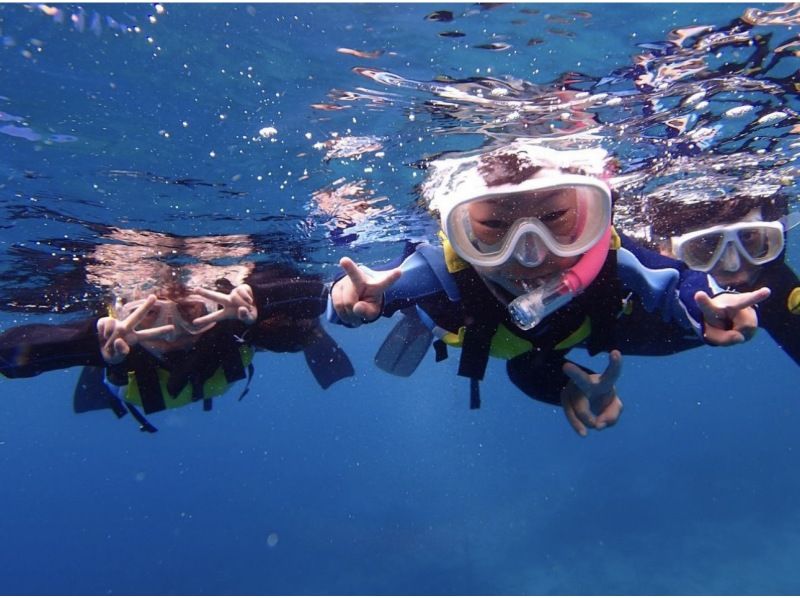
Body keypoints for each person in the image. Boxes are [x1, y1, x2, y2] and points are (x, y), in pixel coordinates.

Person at [326, 140, 768, 437]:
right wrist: (351, 297)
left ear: (591, 212)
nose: (530, 256)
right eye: (495, 227)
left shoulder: (613, 257)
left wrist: (712, 305)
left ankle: (560, 378)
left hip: (545, 341)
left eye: (556, 221)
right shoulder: (439, 268)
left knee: (534, 361)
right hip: (478, 330)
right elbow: (367, 289)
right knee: (478, 333)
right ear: (459, 228)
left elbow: (677, 282)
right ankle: (424, 323)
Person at [0, 230, 354, 432]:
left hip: (226, 334)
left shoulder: (227, 318)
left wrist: (261, 302)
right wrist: (88, 345)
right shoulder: (114, 336)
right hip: (128, 364)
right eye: (149, 313)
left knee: (288, 331)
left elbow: (314, 302)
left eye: (190, 310)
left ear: (210, 306)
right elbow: (8, 355)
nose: (170, 332)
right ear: (121, 304)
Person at [642, 190, 800, 365]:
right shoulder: (619, 270)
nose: (733, 266)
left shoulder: (773, 289)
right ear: (666, 248)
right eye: (706, 244)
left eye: (748, 237)